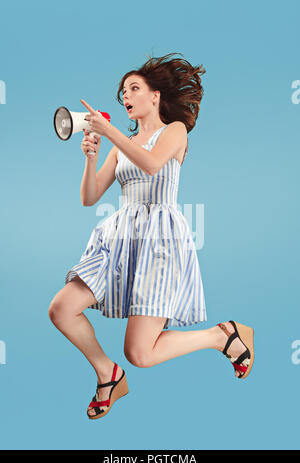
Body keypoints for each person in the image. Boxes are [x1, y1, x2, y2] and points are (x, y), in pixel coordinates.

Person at [48, 52, 254, 420]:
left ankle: (221, 336)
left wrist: (109, 132)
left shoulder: (174, 132)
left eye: (133, 88)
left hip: (160, 241)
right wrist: (92, 155)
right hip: (119, 237)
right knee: (61, 309)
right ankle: (107, 374)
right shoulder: (119, 144)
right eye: (123, 92)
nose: (125, 96)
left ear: (155, 95)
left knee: (140, 354)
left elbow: (153, 162)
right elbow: (90, 197)